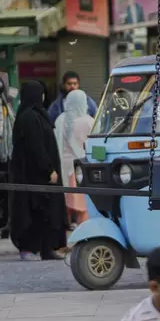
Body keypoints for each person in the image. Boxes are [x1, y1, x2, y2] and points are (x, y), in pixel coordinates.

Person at [9, 81, 68, 261]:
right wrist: (49, 169)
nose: (43, 97)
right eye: (40, 93)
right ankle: (31, 248)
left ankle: (47, 248)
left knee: (46, 213)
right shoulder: (30, 118)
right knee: (35, 211)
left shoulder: (35, 115)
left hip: (36, 177)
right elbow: (36, 148)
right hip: (36, 176)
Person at [54, 89, 95, 226]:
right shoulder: (88, 122)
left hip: (63, 166)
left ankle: (62, 238)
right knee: (83, 208)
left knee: (65, 206)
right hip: (81, 169)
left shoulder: (60, 119)